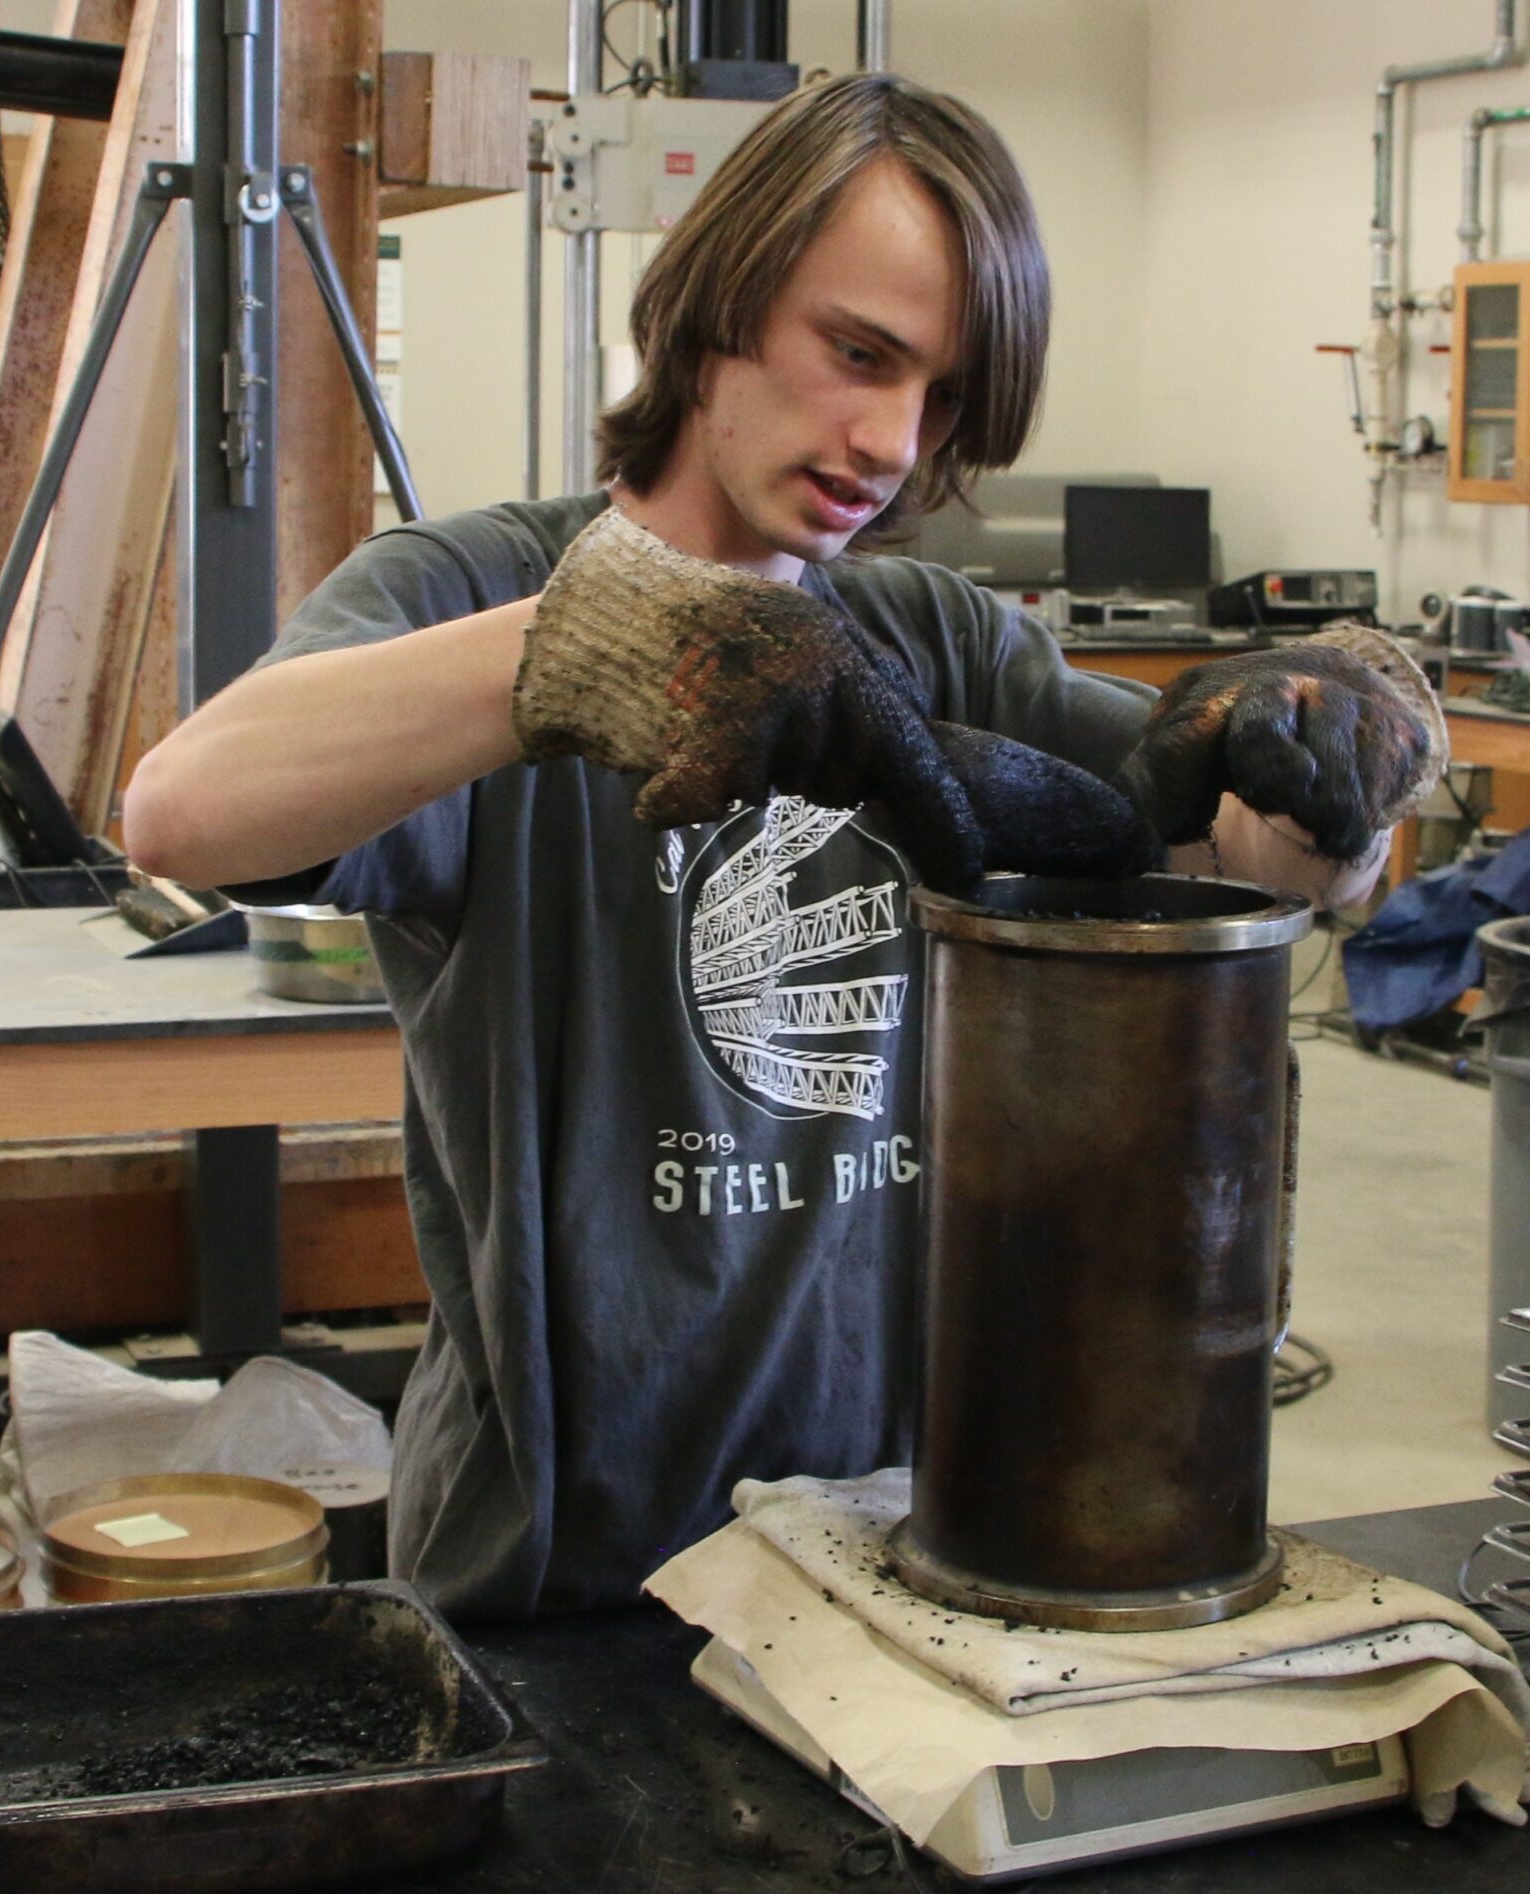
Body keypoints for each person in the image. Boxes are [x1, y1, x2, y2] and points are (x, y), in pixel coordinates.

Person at [123, 73, 1441, 1619]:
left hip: (902, 1546)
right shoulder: (467, 584)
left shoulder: (937, 641)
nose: (889, 439)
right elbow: (184, 809)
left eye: (941, 397)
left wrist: (1349, 736)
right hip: (571, 1571)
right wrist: (628, 640)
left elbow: (1260, 855)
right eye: (858, 354)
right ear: (714, 306)